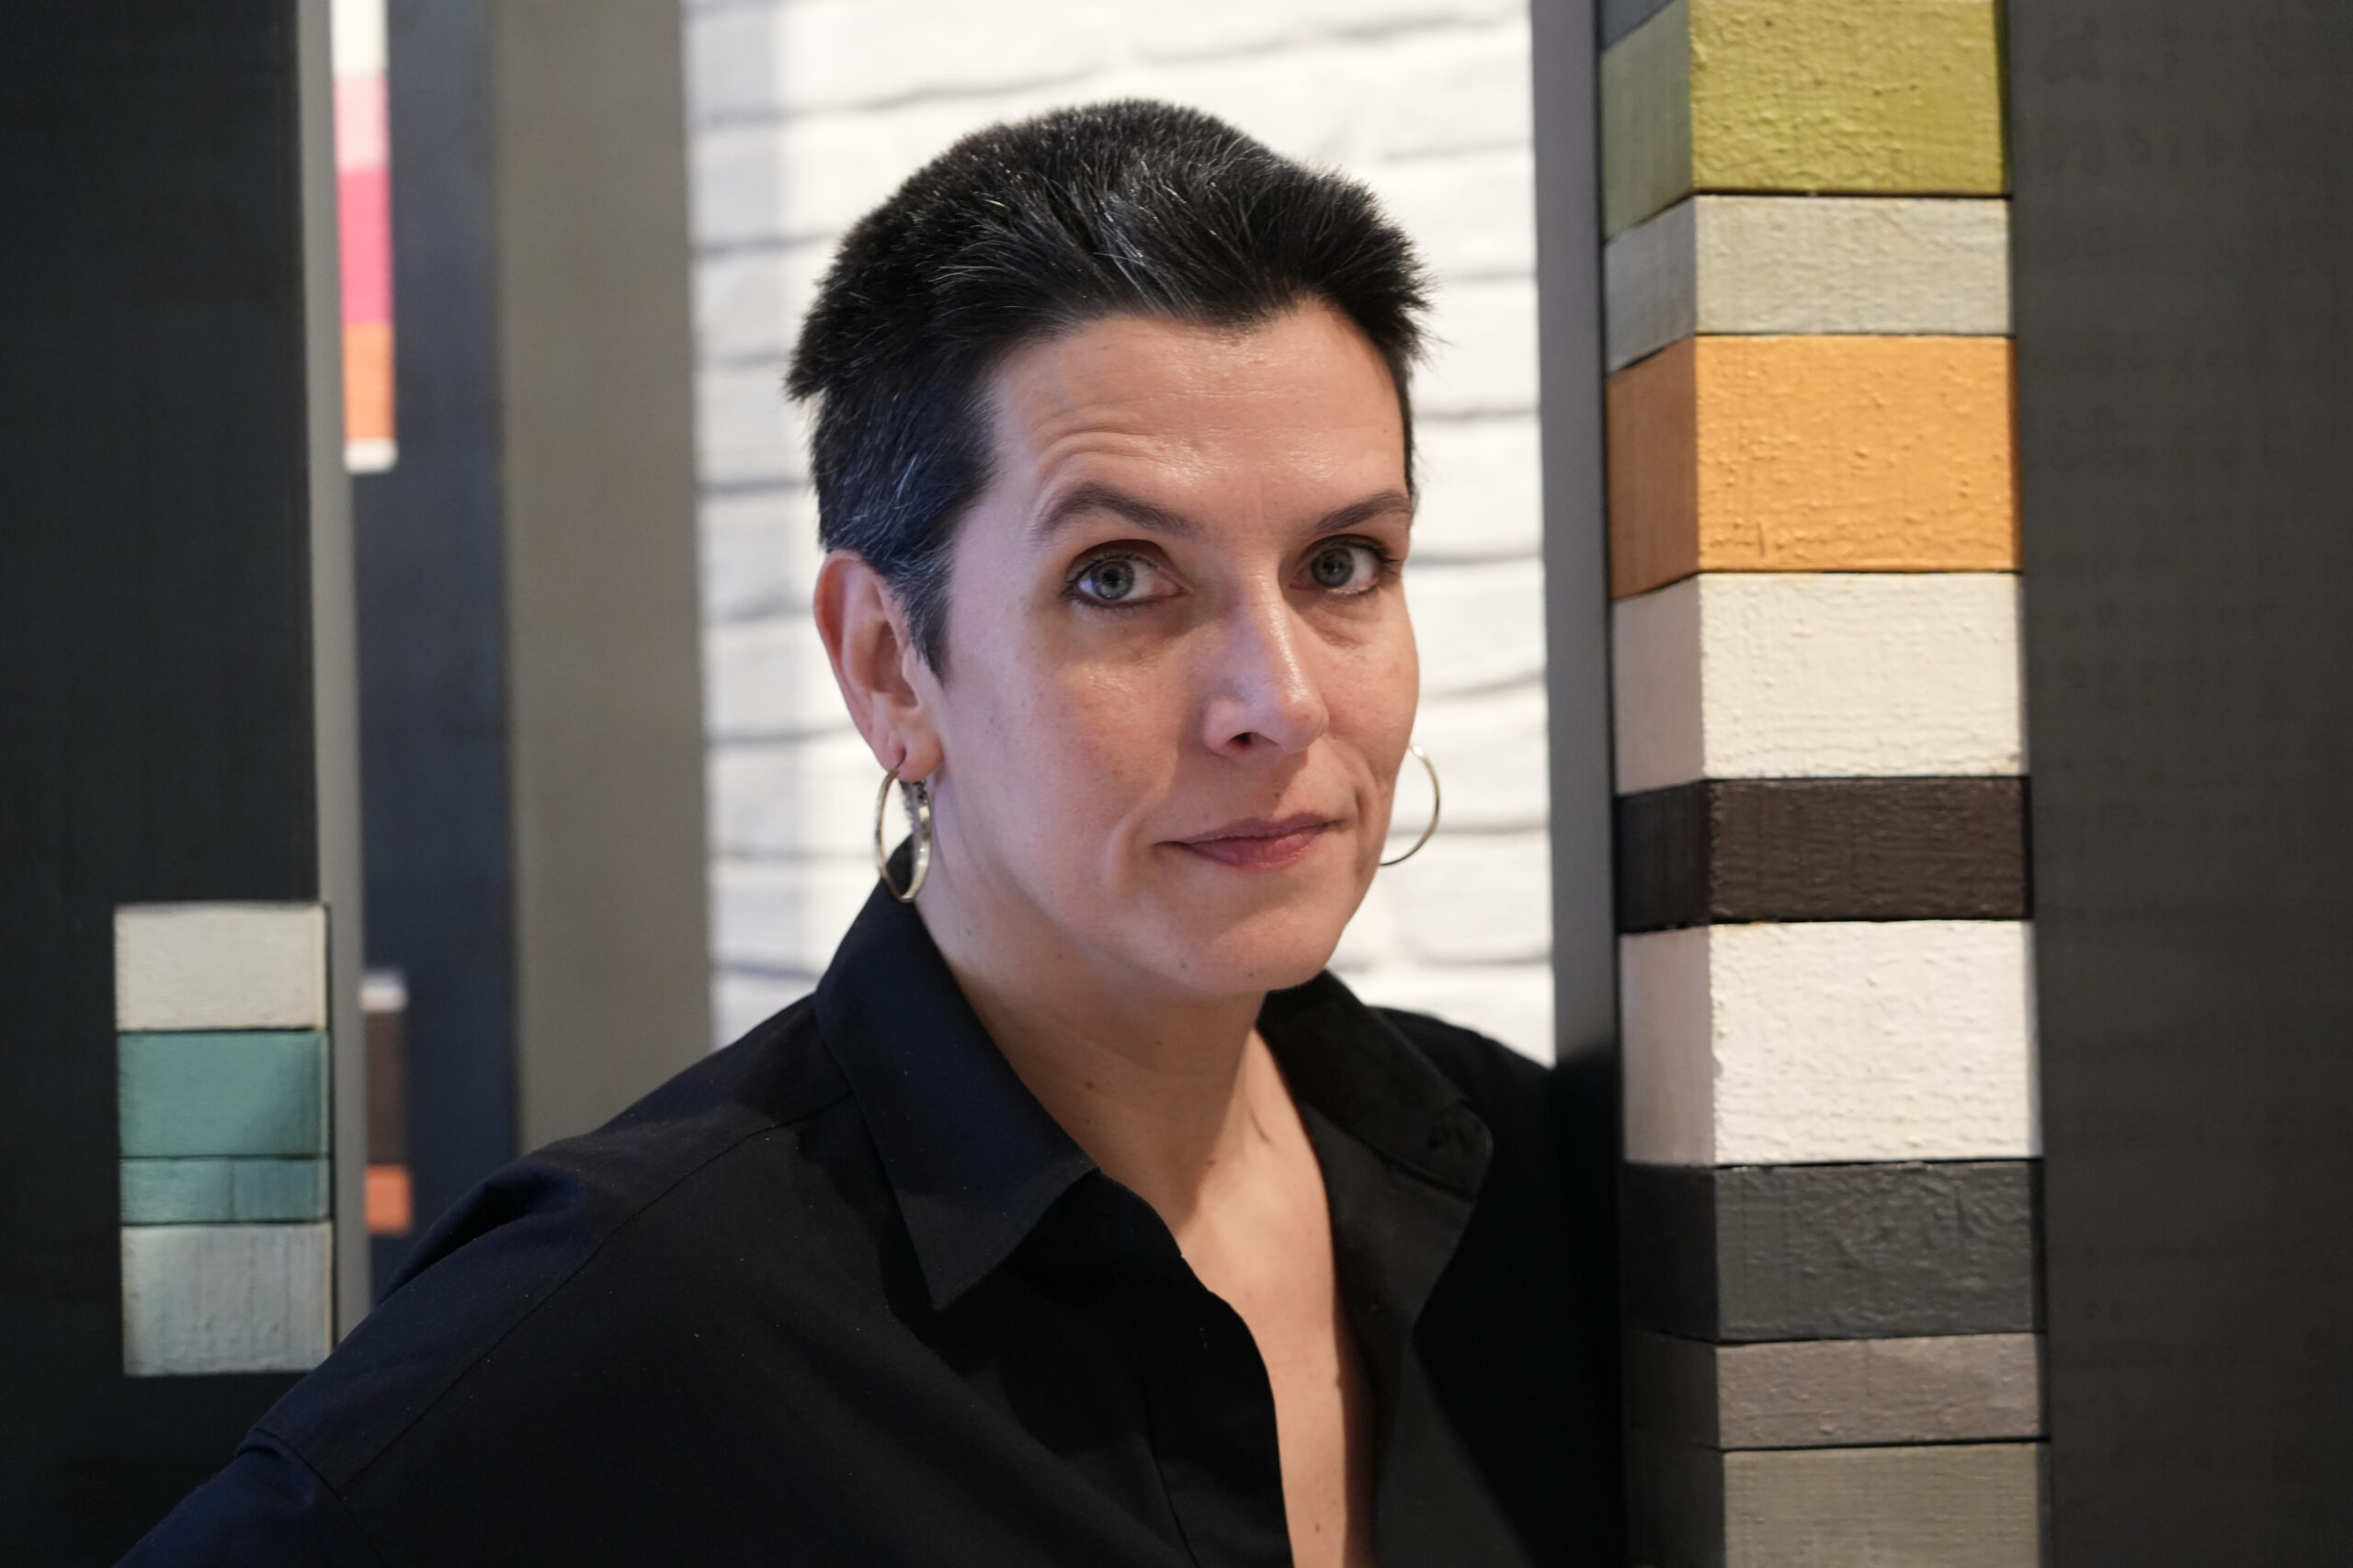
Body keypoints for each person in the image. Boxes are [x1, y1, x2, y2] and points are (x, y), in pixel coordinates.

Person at [125, 100, 1619, 1566]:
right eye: (1118, 576)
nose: (1280, 703)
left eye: (1343, 563)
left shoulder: (1538, 1182)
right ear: (890, 664)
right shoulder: (640, 1308)